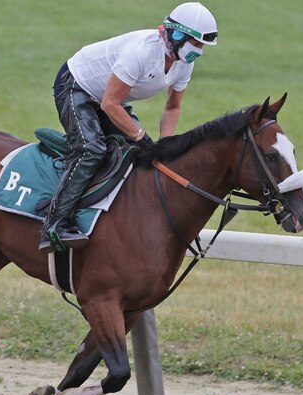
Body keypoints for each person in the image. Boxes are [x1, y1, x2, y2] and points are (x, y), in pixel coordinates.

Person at [39, 2, 218, 253]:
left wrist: (165, 144)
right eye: (196, 44)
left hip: (111, 98)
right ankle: (54, 225)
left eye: (202, 46)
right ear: (177, 36)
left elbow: (173, 107)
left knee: (138, 154)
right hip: (76, 86)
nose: (198, 51)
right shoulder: (141, 52)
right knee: (91, 149)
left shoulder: (183, 62)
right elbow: (110, 104)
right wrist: (141, 136)